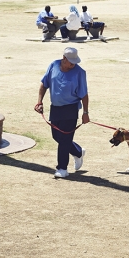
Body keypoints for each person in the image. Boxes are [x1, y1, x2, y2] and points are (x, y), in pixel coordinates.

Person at [34, 47, 89, 178]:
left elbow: (84, 94)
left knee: (65, 139)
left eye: (75, 62)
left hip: (71, 108)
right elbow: (44, 84)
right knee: (57, 136)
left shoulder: (79, 72)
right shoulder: (53, 65)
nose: (73, 64)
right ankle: (78, 152)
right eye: (71, 62)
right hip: (56, 107)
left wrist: (85, 112)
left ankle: (62, 169)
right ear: (64, 58)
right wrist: (39, 102)